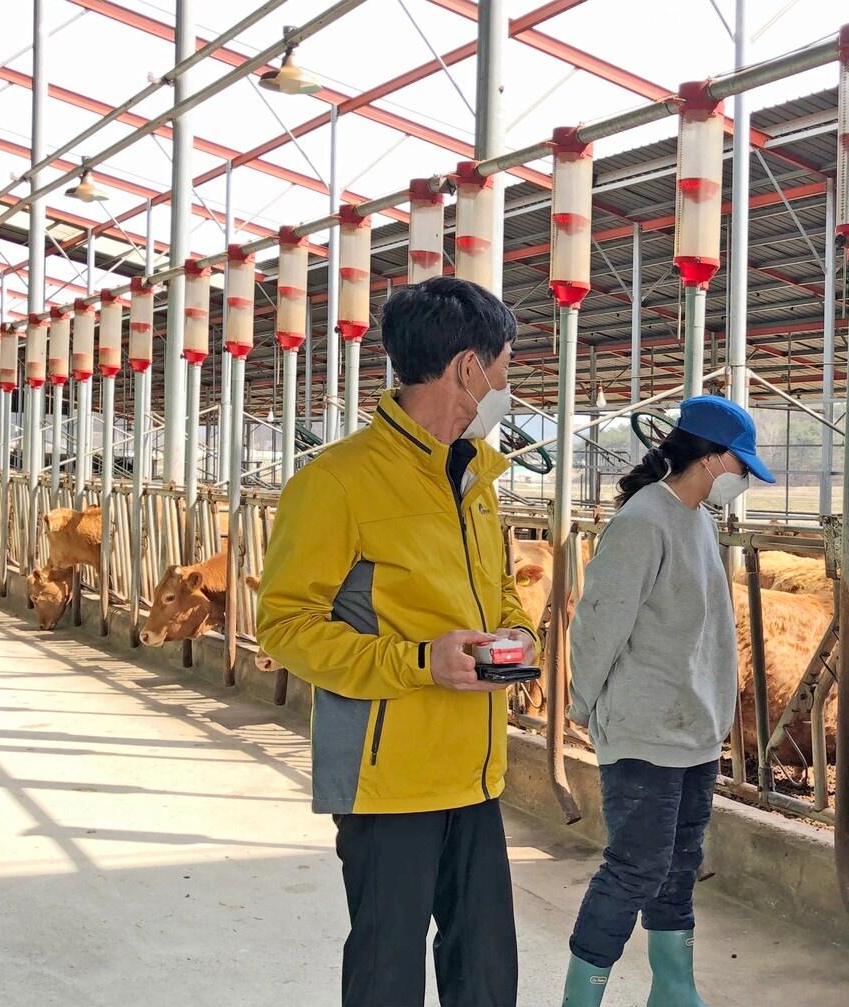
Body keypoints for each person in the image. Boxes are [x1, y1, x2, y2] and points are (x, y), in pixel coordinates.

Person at [257, 277, 538, 1007]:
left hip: (475, 776)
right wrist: (419, 662)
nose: (506, 386)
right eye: (503, 366)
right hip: (388, 784)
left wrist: (517, 635)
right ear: (467, 369)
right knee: (387, 976)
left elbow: (499, 592)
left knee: (487, 976)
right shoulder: (336, 483)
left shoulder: (475, 479)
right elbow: (284, 625)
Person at [560, 396, 775, 1006]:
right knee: (635, 867)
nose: (742, 479)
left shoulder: (697, 519)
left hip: (694, 728)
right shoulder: (643, 522)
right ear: (709, 459)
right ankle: (583, 995)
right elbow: (599, 625)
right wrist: (585, 706)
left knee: (680, 864)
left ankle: (674, 988)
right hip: (646, 727)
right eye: (739, 466)